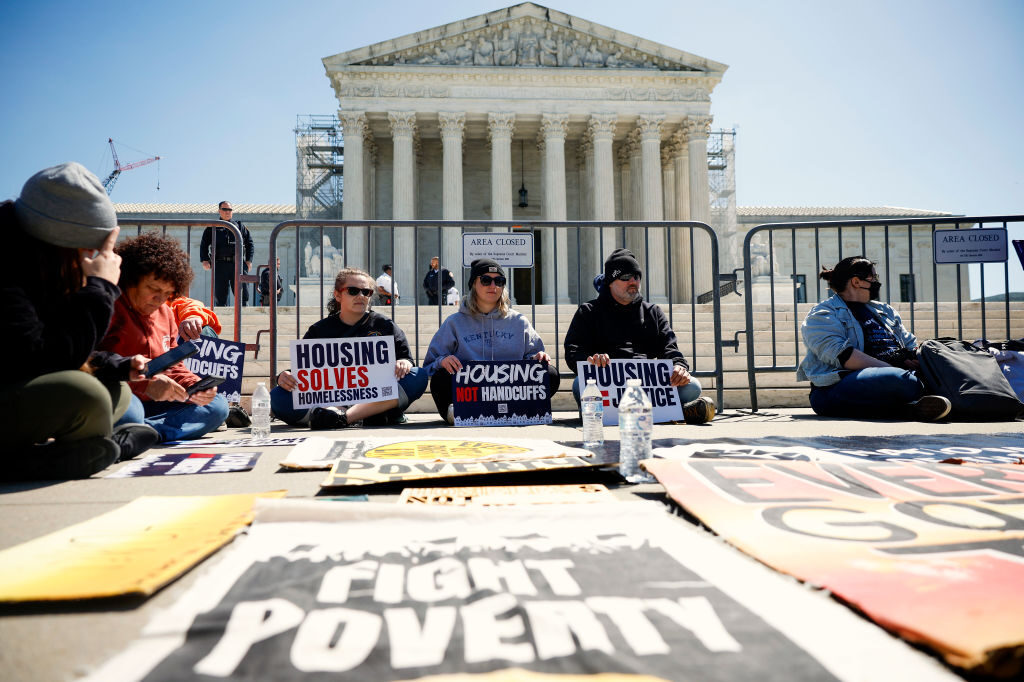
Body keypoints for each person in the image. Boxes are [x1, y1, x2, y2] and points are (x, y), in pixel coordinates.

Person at [1, 162, 158, 479]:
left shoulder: (43, 266)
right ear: (65, 243)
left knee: (117, 391)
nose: (98, 258)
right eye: (93, 249)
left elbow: (51, 342)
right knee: (85, 394)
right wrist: (101, 290)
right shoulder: (6, 271)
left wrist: (116, 366)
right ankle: (106, 449)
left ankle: (92, 450)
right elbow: (37, 360)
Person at [100, 233, 229, 442]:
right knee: (130, 413)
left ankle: (142, 434)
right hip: (121, 398)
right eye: (153, 289)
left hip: (158, 402)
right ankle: (139, 431)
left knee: (217, 406)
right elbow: (92, 366)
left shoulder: (167, 313)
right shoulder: (108, 306)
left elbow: (173, 366)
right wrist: (146, 386)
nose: (160, 299)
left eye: (168, 293)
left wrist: (196, 386)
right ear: (131, 279)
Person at [564, 248, 715, 424]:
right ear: (611, 282)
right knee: (578, 385)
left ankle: (641, 413)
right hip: (610, 383)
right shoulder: (588, 311)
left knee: (692, 386)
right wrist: (591, 361)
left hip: (646, 384)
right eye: (626, 277)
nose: (633, 282)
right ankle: (672, 413)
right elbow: (573, 351)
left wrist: (679, 367)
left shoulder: (653, 312)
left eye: (636, 276)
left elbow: (670, 349)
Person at [798, 256, 952, 421]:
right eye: (874, 278)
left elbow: (909, 343)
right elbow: (842, 355)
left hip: (896, 374)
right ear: (856, 282)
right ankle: (920, 401)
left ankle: (914, 407)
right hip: (836, 387)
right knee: (898, 379)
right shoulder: (823, 313)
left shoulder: (885, 310)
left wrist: (913, 357)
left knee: (942, 373)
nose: (877, 282)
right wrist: (893, 367)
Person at [271, 267, 428, 429]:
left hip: (375, 398)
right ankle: (339, 414)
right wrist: (284, 376)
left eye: (366, 292)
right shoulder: (319, 330)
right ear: (337, 295)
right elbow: (306, 371)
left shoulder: (385, 325)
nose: (360, 296)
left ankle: (344, 418)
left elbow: (407, 360)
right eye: (353, 291)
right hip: (332, 400)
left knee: (419, 375)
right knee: (277, 396)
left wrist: (404, 362)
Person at [424, 258, 560, 424]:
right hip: (470, 392)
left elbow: (533, 357)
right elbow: (429, 365)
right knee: (440, 378)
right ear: (474, 284)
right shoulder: (454, 322)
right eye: (486, 280)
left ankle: (519, 410)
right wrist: (442, 360)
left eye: (499, 281)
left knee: (549, 373)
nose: (493, 286)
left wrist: (538, 357)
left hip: (509, 391)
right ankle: (457, 413)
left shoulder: (519, 321)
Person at [200, 201, 254, 306]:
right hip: (220, 264)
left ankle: (244, 319)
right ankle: (221, 320)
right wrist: (205, 260)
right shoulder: (213, 227)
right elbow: (204, 244)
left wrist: (249, 260)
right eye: (224, 209)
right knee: (220, 296)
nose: (227, 212)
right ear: (219, 211)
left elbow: (250, 243)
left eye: (229, 209)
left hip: (238, 264)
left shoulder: (239, 225)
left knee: (243, 295)